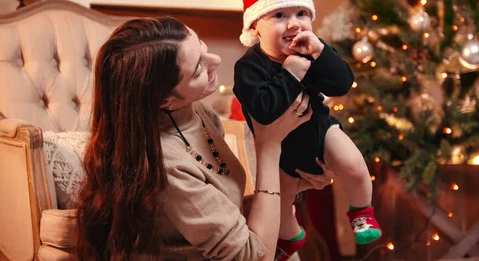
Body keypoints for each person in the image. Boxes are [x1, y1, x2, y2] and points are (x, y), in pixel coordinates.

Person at [76, 17, 333, 261]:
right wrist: (269, 146)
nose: (216, 59)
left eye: (201, 46)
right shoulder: (165, 164)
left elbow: (223, 213)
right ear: (164, 100)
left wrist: (289, 187)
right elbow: (254, 257)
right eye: (198, 68)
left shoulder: (192, 111)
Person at [233, 0, 382, 260]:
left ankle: (361, 212)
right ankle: (290, 239)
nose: (294, 24)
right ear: (255, 27)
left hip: (320, 129)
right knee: (282, 205)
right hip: (280, 151)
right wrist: (290, 73)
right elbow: (264, 110)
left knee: (354, 164)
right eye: (279, 16)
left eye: (302, 13)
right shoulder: (249, 68)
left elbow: (341, 84)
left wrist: (323, 53)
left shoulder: (313, 51)